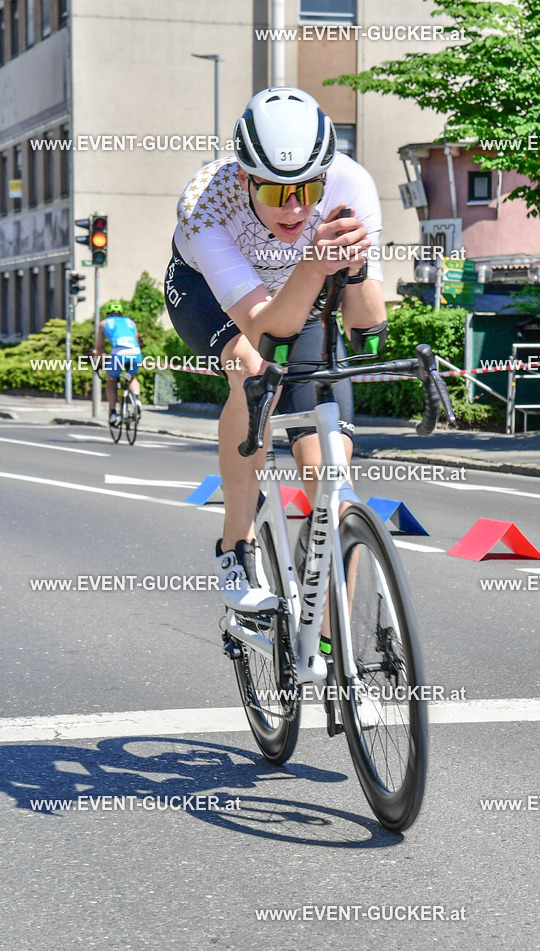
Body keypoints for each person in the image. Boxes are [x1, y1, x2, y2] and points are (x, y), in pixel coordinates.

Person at [164, 86, 387, 613]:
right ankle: (236, 545)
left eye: (308, 189)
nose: (294, 207)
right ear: (245, 178)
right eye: (274, 192)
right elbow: (266, 333)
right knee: (252, 368)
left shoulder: (350, 184)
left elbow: (369, 334)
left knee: (331, 480)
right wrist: (313, 262)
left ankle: (331, 643)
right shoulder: (206, 204)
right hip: (211, 296)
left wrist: (355, 270)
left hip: (301, 297)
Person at [94, 301, 143, 425]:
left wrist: (98, 363)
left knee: (111, 380)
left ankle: (113, 412)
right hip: (136, 352)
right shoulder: (130, 322)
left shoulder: (103, 323)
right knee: (132, 377)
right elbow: (136, 340)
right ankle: (137, 401)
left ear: (107, 313)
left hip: (119, 353)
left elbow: (99, 347)